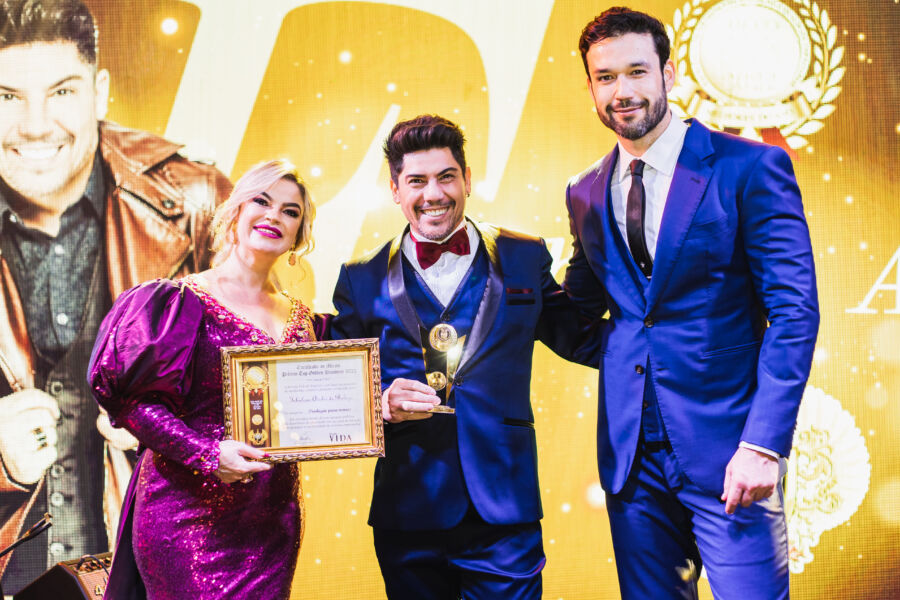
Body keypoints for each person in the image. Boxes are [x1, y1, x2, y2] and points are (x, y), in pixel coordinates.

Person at [563, 7, 819, 599]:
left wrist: (763, 445)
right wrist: (493, 271)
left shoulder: (749, 167)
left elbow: (794, 313)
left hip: (732, 454)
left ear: (669, 73)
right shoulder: (584, 191)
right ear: (591, 87)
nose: (622, 92)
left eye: (636, 71)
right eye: (605, 77)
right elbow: (580, 311)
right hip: (632, 462)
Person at [0, 0, 231, 592]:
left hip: (153, 556)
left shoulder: (196, 201)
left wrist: (172, 425)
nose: (34, 125)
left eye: (61, 92)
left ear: (100, 92)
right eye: (7, 97)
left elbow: (263, 387)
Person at [331, 115, 596, 600]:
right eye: (417, 180)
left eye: (446, 177)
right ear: (395, 189)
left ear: (467, 179)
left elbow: (581, 338)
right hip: (407, 511)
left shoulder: (524, 255)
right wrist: (381, 403)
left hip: (504, 506)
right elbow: (338, 388)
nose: (433, 193)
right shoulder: (360, 277)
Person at [88, 159, 318, 599]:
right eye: (262, 201)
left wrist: (378, 404)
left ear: (299, 234)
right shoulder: (175, 301)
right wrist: (208, 454)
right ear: (235, 211)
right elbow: (132, 405)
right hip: (184, 516)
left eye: (290, 211)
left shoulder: (304, 321)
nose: (274, 215)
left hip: (273, 521)